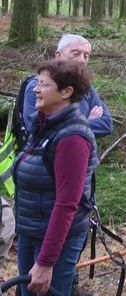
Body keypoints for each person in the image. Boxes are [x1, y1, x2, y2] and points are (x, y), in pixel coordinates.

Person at [14, 60, 99, 296]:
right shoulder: (41, 127)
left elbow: (66, 203)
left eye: (43, 84)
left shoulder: (72, 138)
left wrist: (46, 261)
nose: (35, 89)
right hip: (31, 233)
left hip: (54, 243)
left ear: (66, 92)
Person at [22, 34, 113, 138]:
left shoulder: (86, 87)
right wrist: (86, 122)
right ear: (58, 55)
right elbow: (35, 128)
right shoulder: (39, 86)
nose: (82, 60)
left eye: (86, 56)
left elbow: (106, 125)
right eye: (76, 54)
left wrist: (75, 126)